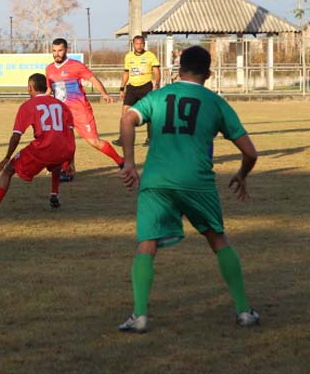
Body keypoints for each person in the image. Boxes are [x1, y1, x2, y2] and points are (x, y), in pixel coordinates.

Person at [116, 45, 260, 333]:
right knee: (218, 239)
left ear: (178, 69)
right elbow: (250, 152)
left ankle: (140, 315)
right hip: (197, 182)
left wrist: (129, 163)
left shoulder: (157, 96)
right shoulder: (215, 102)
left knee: (147, 242)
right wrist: (242, 174)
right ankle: (244, 311)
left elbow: (127, 119)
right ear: (208, 73)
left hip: (157, 180)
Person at [0, 73, 76, 218]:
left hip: (43, 148)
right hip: (63, 149)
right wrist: (71, 160)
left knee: (8, 171)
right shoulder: (62, 105)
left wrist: (7, 157)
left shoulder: (28, 105)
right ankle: (54, 195)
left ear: (30, 87)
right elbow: (70, 134)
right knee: (56, 162)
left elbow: (16, 135)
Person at [45, 38, 123, 180]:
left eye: (60, 50)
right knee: (64, 143)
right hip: (62, 113)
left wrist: (104, 93)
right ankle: (67, 171)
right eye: (54, 51)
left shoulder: (76, 66)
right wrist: (39, 100)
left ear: (66, 50)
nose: (57, 54)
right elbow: (49, 89)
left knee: (94, 141)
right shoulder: (49, 69)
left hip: (80, 110)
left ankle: (121, 161)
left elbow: (93, 79)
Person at [112, 35, 160, 147]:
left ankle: (150, 139)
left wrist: (156, 84)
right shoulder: (128, 57)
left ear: (144, 44)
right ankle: (123, 139)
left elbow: (157, 72)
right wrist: (122, 88)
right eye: (137, 43)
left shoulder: (150, 56)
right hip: (132, 88)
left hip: (146, 87)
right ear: (133, 44)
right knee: (125, 114)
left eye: (141, 43)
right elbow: (126, 73)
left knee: (149, 113)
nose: (139, 46)